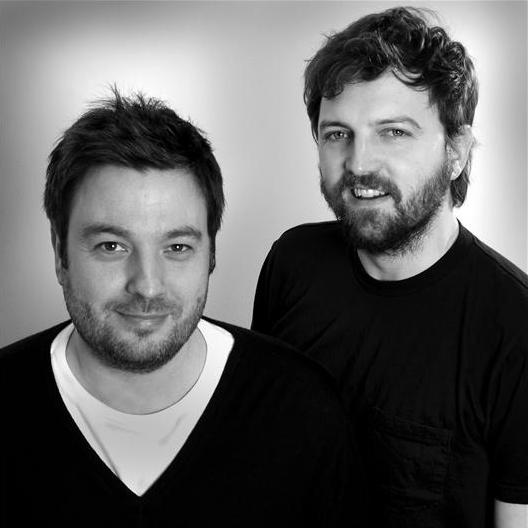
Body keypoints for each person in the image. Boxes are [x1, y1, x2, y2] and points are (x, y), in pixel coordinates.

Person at [0, 90, 362, 527]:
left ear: (211, 253)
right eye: (111, 246)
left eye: (176, 247)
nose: (147, 285)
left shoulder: (303, 411)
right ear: (60, 253)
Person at [252, 7, 528, 528]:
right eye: (338, 134)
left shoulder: (514, 326)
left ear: (456, 151)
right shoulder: (292, 262)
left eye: (394, 132)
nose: (359, 164)